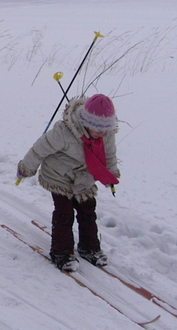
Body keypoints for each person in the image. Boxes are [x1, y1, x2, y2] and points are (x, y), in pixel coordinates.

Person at [16, 94, 120, 272]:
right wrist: (26, 168)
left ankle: (89, 248)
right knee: (64, 213)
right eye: (96, 128)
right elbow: (39, 149)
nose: (100, 133)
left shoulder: (106, 134)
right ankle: (61, 253)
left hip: (84, 178)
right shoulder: (64, 131)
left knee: (88, 212)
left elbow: (109, 155)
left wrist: (110, 175)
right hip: (59, 176)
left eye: (104, 129)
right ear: (85, 121)